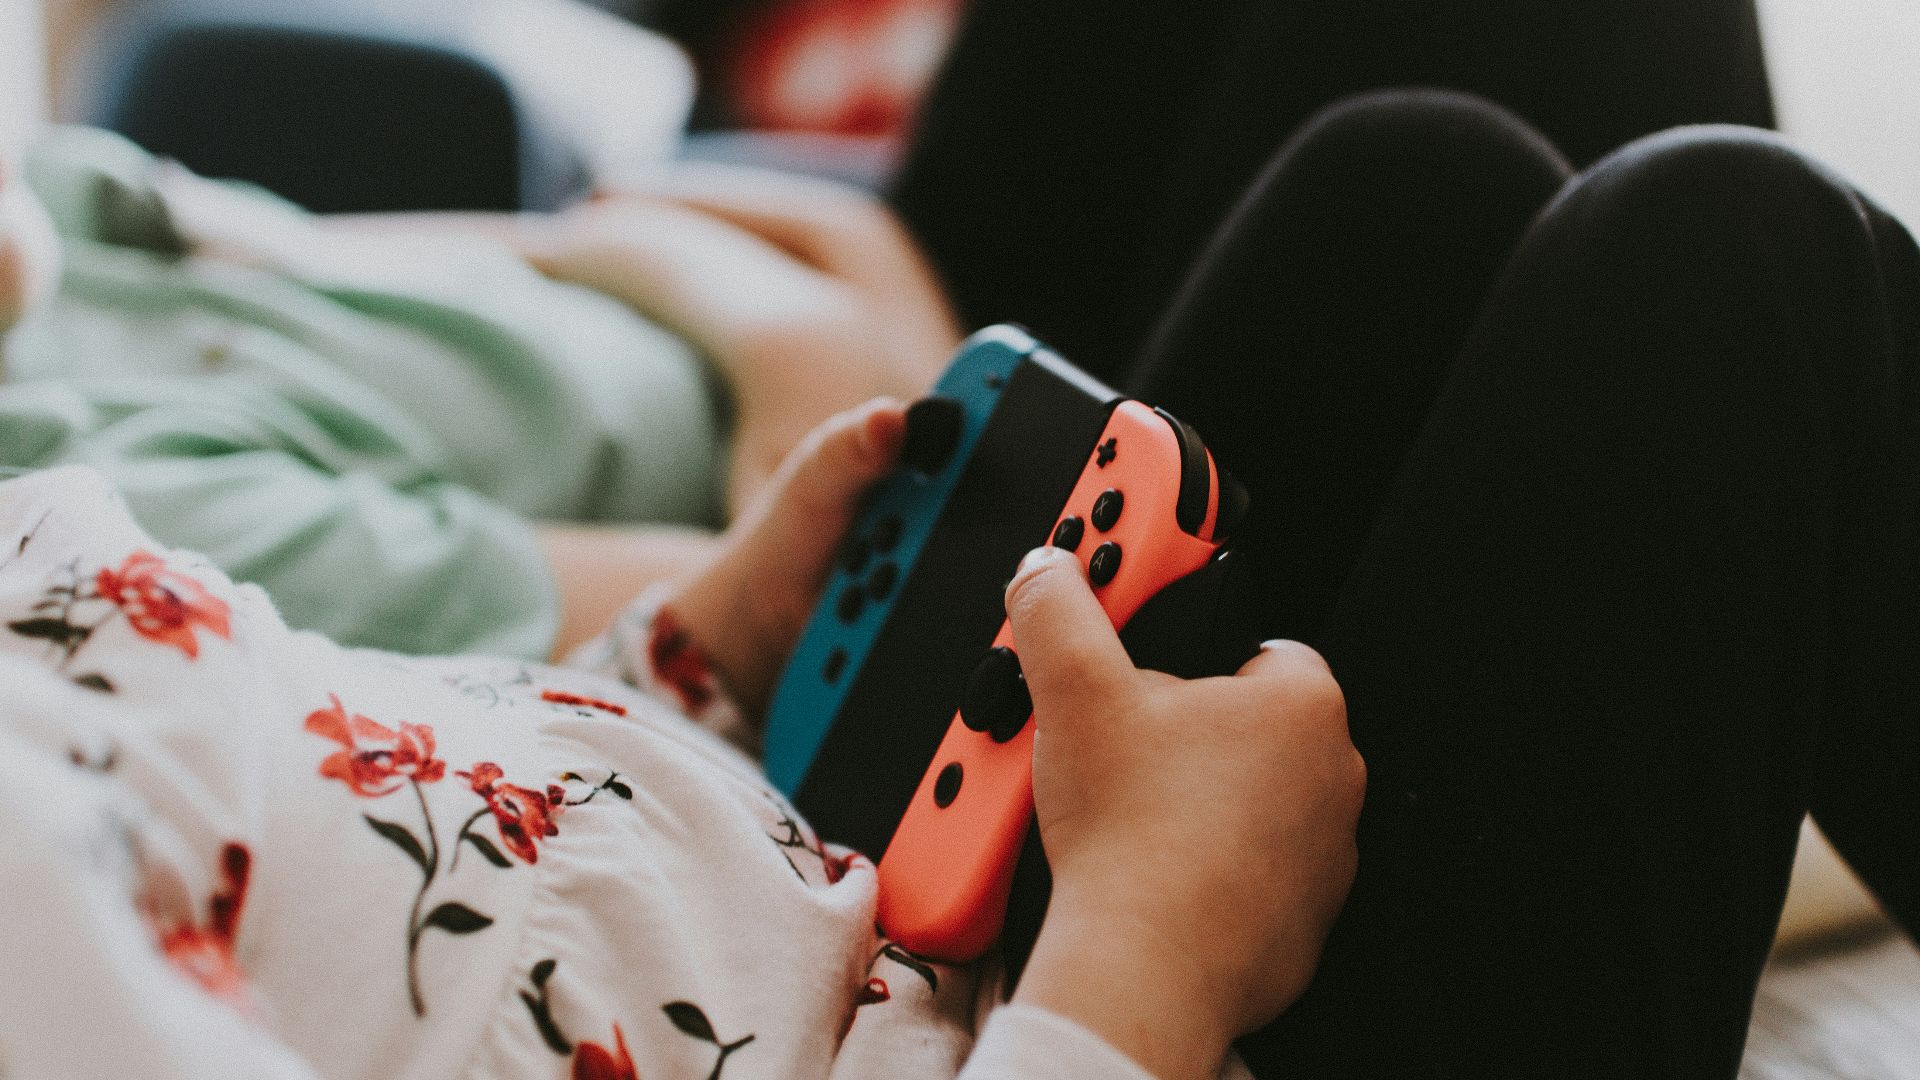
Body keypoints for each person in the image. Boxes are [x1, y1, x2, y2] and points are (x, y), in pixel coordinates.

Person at [0, 127, 960, 660]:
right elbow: (778, 609)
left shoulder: (53, 203)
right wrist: (823, 323)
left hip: (814, 334)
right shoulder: (115, 521)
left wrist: (788, 325)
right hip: (889, 499)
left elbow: (580, 235)